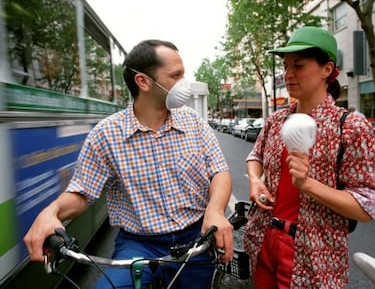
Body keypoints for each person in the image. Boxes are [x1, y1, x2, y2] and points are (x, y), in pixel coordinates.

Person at [24, 40, 234, 289]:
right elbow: (82, 193)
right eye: (176, 75)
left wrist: (216, 211)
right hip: (138, 243)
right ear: (143, 82)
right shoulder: (106, 134)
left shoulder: (195, 123)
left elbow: (219, 172)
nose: (184, 84)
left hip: (194, 237)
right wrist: (51, 212)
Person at [243, 26, 375, 288]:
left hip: (314, 255)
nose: (288, 74)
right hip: (263, 240)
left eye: (299, 65)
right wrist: (254, 180)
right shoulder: (276, 120)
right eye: (285, 66)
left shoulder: (351, 127)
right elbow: (255, 154)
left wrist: (308, 185)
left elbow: (366, 207)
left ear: (326, 69)